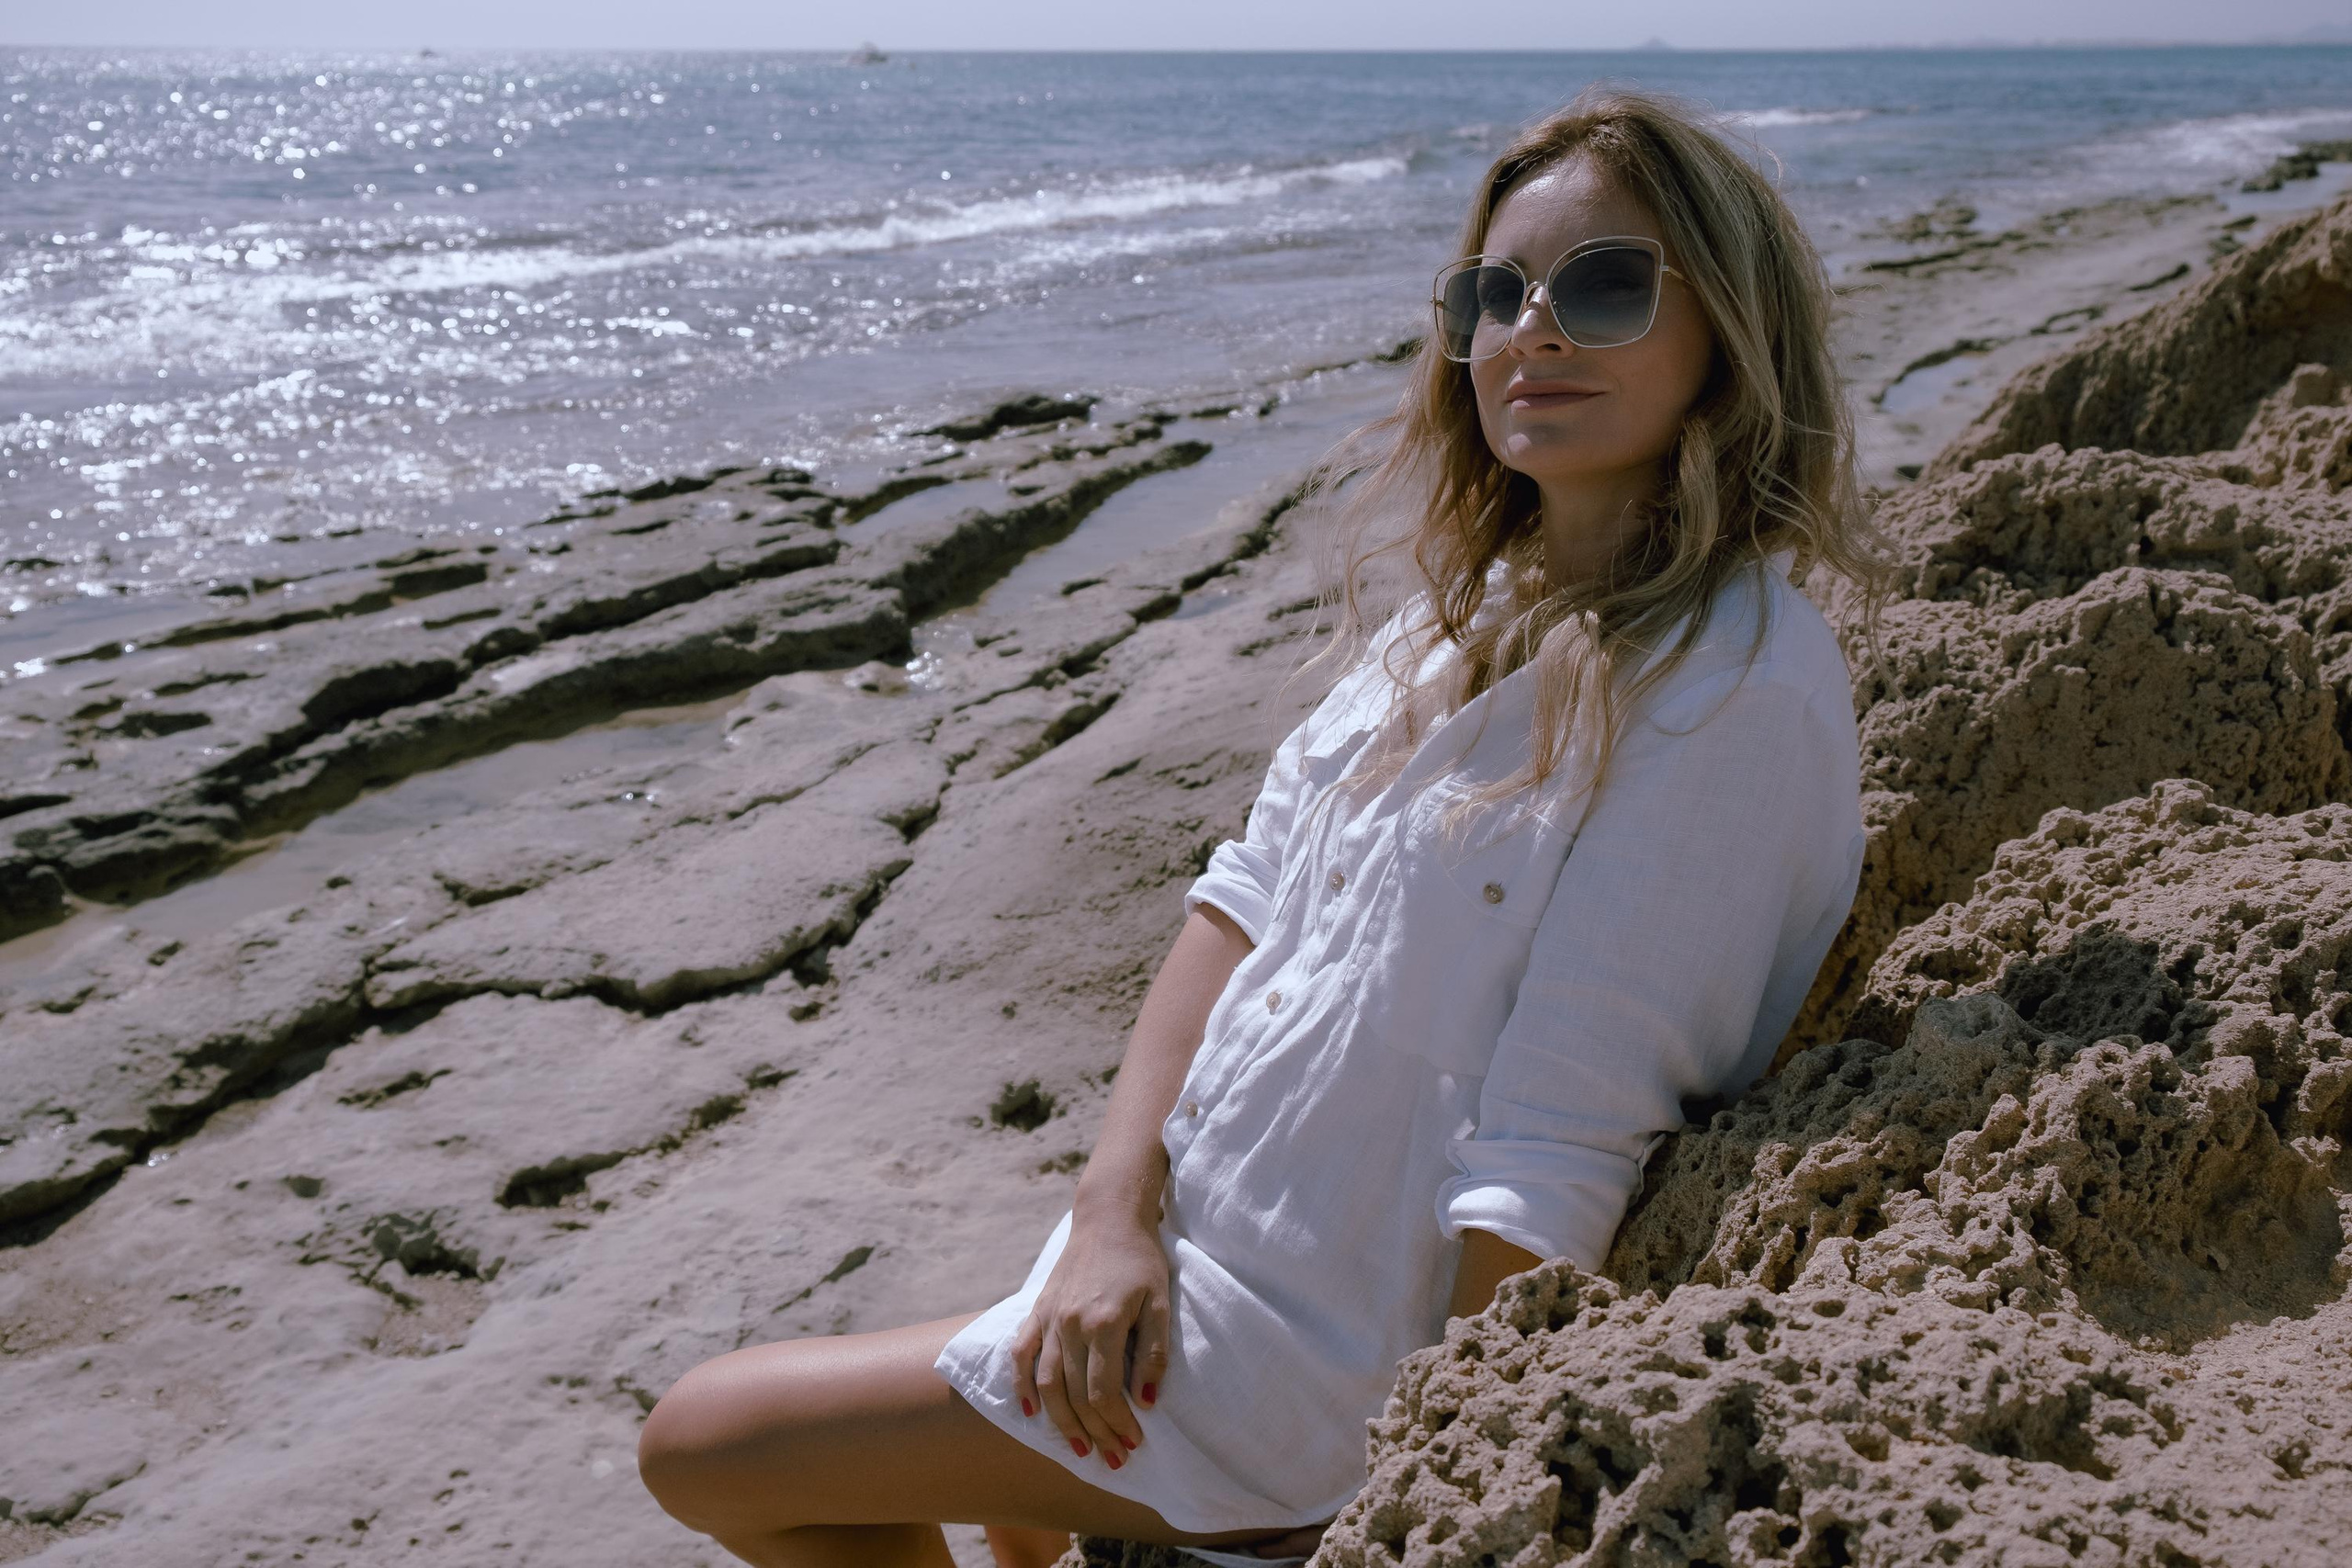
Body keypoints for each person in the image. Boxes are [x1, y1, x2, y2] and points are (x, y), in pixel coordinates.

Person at [633, 83, 1895, 1568]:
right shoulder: (1454, 618)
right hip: (1187, 1246)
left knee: (707, 1444)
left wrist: (1435, 1483)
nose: (1532, 329)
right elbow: (1237, 908)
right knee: (992, 1507)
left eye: (1605, 286)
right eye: (1493, 293)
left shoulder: (1734, 677)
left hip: (1327, 1363)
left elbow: (1564, 1137)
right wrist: (1110, 1216)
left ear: (1727, 337)